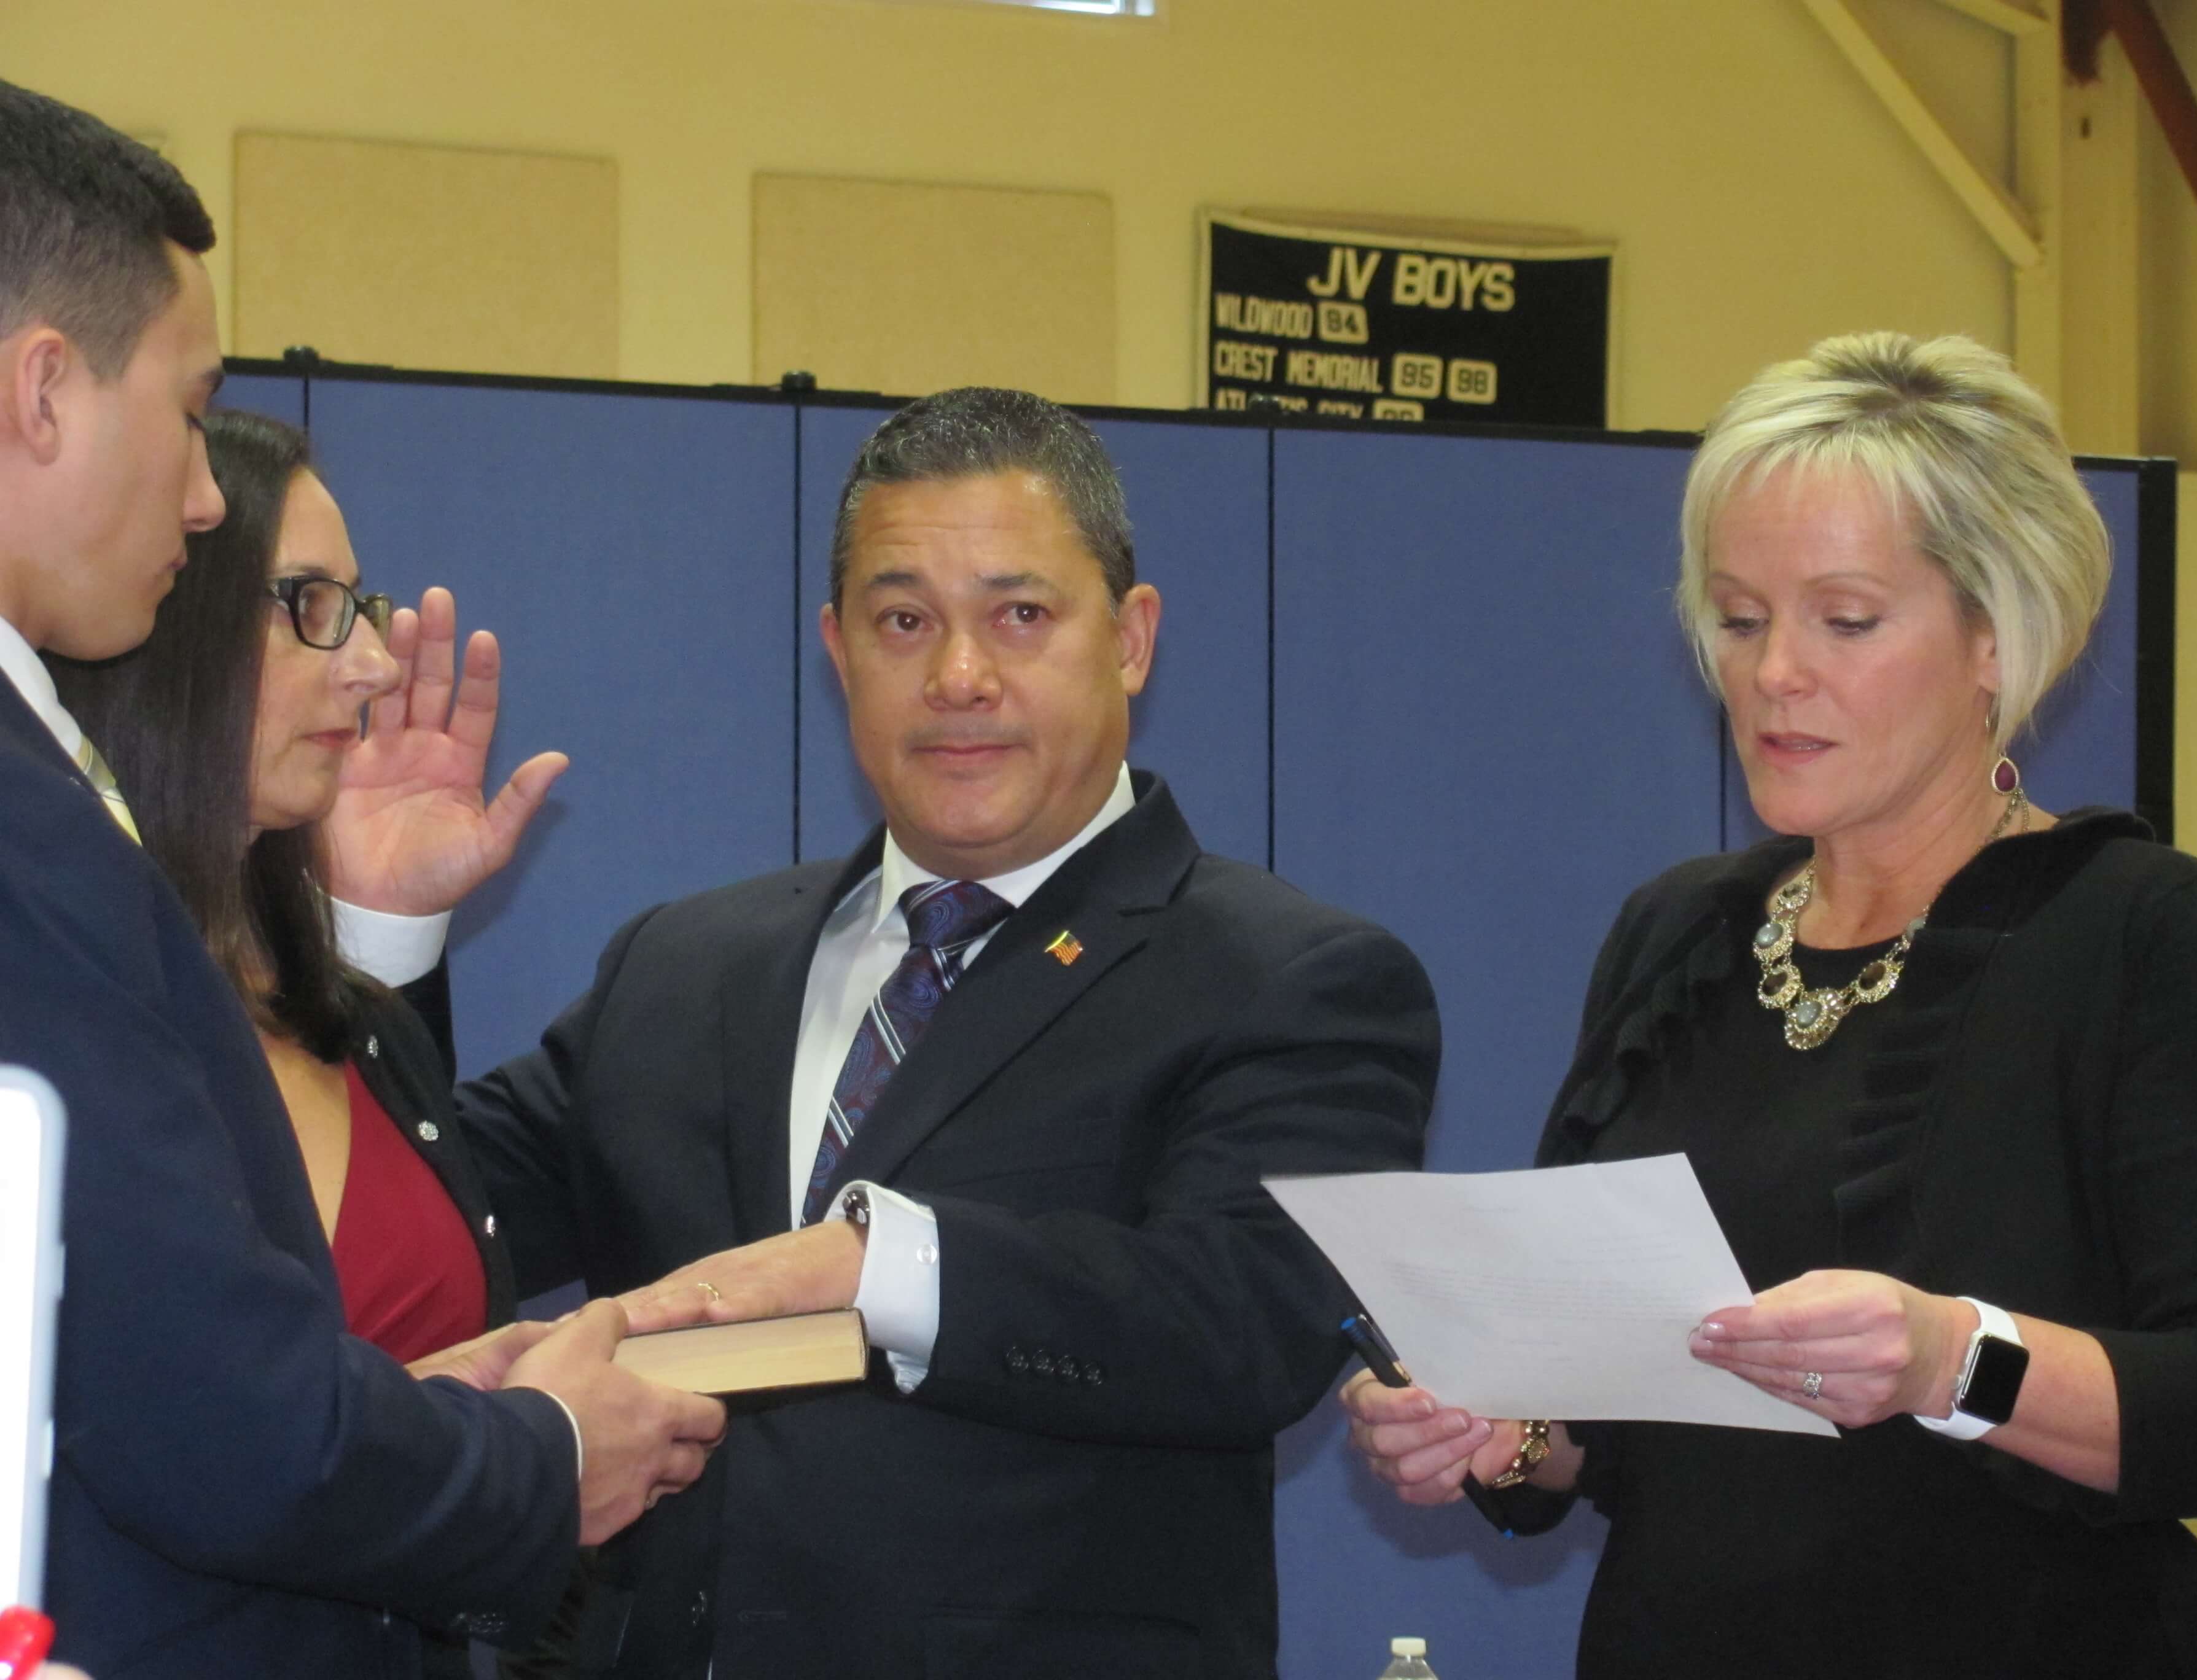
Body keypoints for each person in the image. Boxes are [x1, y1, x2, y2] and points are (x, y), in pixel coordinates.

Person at [387, 387, 1437, 1677]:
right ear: (837, 649)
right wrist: (374, 942)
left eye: (1021, 615)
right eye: (903, 621)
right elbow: (421, 1221)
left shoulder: (1291, 977)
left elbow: (1247, 1327)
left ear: (1132, 638)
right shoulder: (684, 966)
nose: (958, 676)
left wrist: (876, 1266)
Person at [1341, 332, 2197, 1677]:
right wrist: (1505, 1429)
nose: (1773, 676)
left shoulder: (2146, 933)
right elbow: (1621, 1412)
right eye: (1741, 618)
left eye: (1847, 619)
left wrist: (1953, 1358)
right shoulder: (1681, 932)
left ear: (1996, 635)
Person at [0, 78, 726, 1678]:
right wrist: (542, 1451)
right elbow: (222, 1418)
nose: (198, 493)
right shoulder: (36, 829)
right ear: (45, 390)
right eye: (189, 413)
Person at [46, 408, 584, 1678]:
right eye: (308, 605)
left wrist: (381, 938)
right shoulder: (70, 994)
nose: (369, 665)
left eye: (359, 604)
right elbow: (223, 1431)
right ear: (163, 602)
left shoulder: (346, 1019)